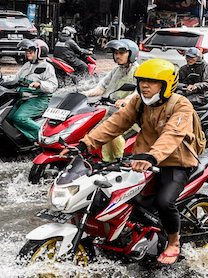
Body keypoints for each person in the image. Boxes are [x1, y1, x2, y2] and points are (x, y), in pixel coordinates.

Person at [81, 59, 200, 267]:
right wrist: (85, 144)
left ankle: (173, 242)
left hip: (176, 161)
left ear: (166, 84)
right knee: (118, 194)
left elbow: (173, 134)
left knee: (164, 202)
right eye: (142, 81)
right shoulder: (138, 102)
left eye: (152, 82)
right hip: (143, 159)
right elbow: (115, 124)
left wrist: (152, 156)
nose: (145, 86)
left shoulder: (181, 105)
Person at [9, 39, 58, 144]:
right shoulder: (27, 65)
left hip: (38, 99)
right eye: (27, 52)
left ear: (39, 52)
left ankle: (43, 136)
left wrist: (39, 84)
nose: (28, 54)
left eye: (31, 52)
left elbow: (53, 86)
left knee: (19, 118)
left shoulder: (47, 67)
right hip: (23, 97)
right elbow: (16, 78)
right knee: (7, 116)